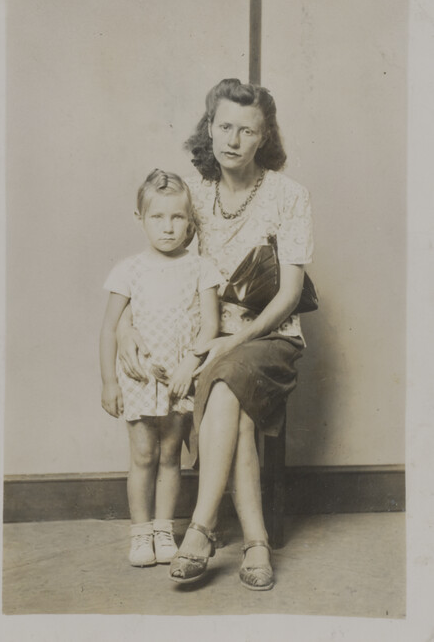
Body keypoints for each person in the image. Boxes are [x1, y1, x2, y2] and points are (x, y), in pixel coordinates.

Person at [117, 78, 314, 590]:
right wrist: (124, 330)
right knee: (238, 410)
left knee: (227, 381)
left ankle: (200, 528)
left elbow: (290, 294)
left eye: (246, 131)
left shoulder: (289, 195)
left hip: (269, 337)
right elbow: (152, 269)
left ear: (264, 136)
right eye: (224, 126)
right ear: (210, 128)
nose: (233, 140)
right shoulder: (194, 192)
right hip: (202, 337)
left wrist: (231, 343)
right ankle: (256, 544)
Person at [100, 169, 221, 568]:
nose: (168, 228)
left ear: (189, 221)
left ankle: (164, 528)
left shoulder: (201, 267)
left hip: (180, 379)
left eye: (177, 218)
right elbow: (109, 328)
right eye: (158, 217)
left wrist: (191, 362)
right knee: (142, 455)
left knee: (171, 454)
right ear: (140, 218)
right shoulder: (129, 269)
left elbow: (210, 324)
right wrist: (108, 383)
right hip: (140, 378)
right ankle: (140, 533)